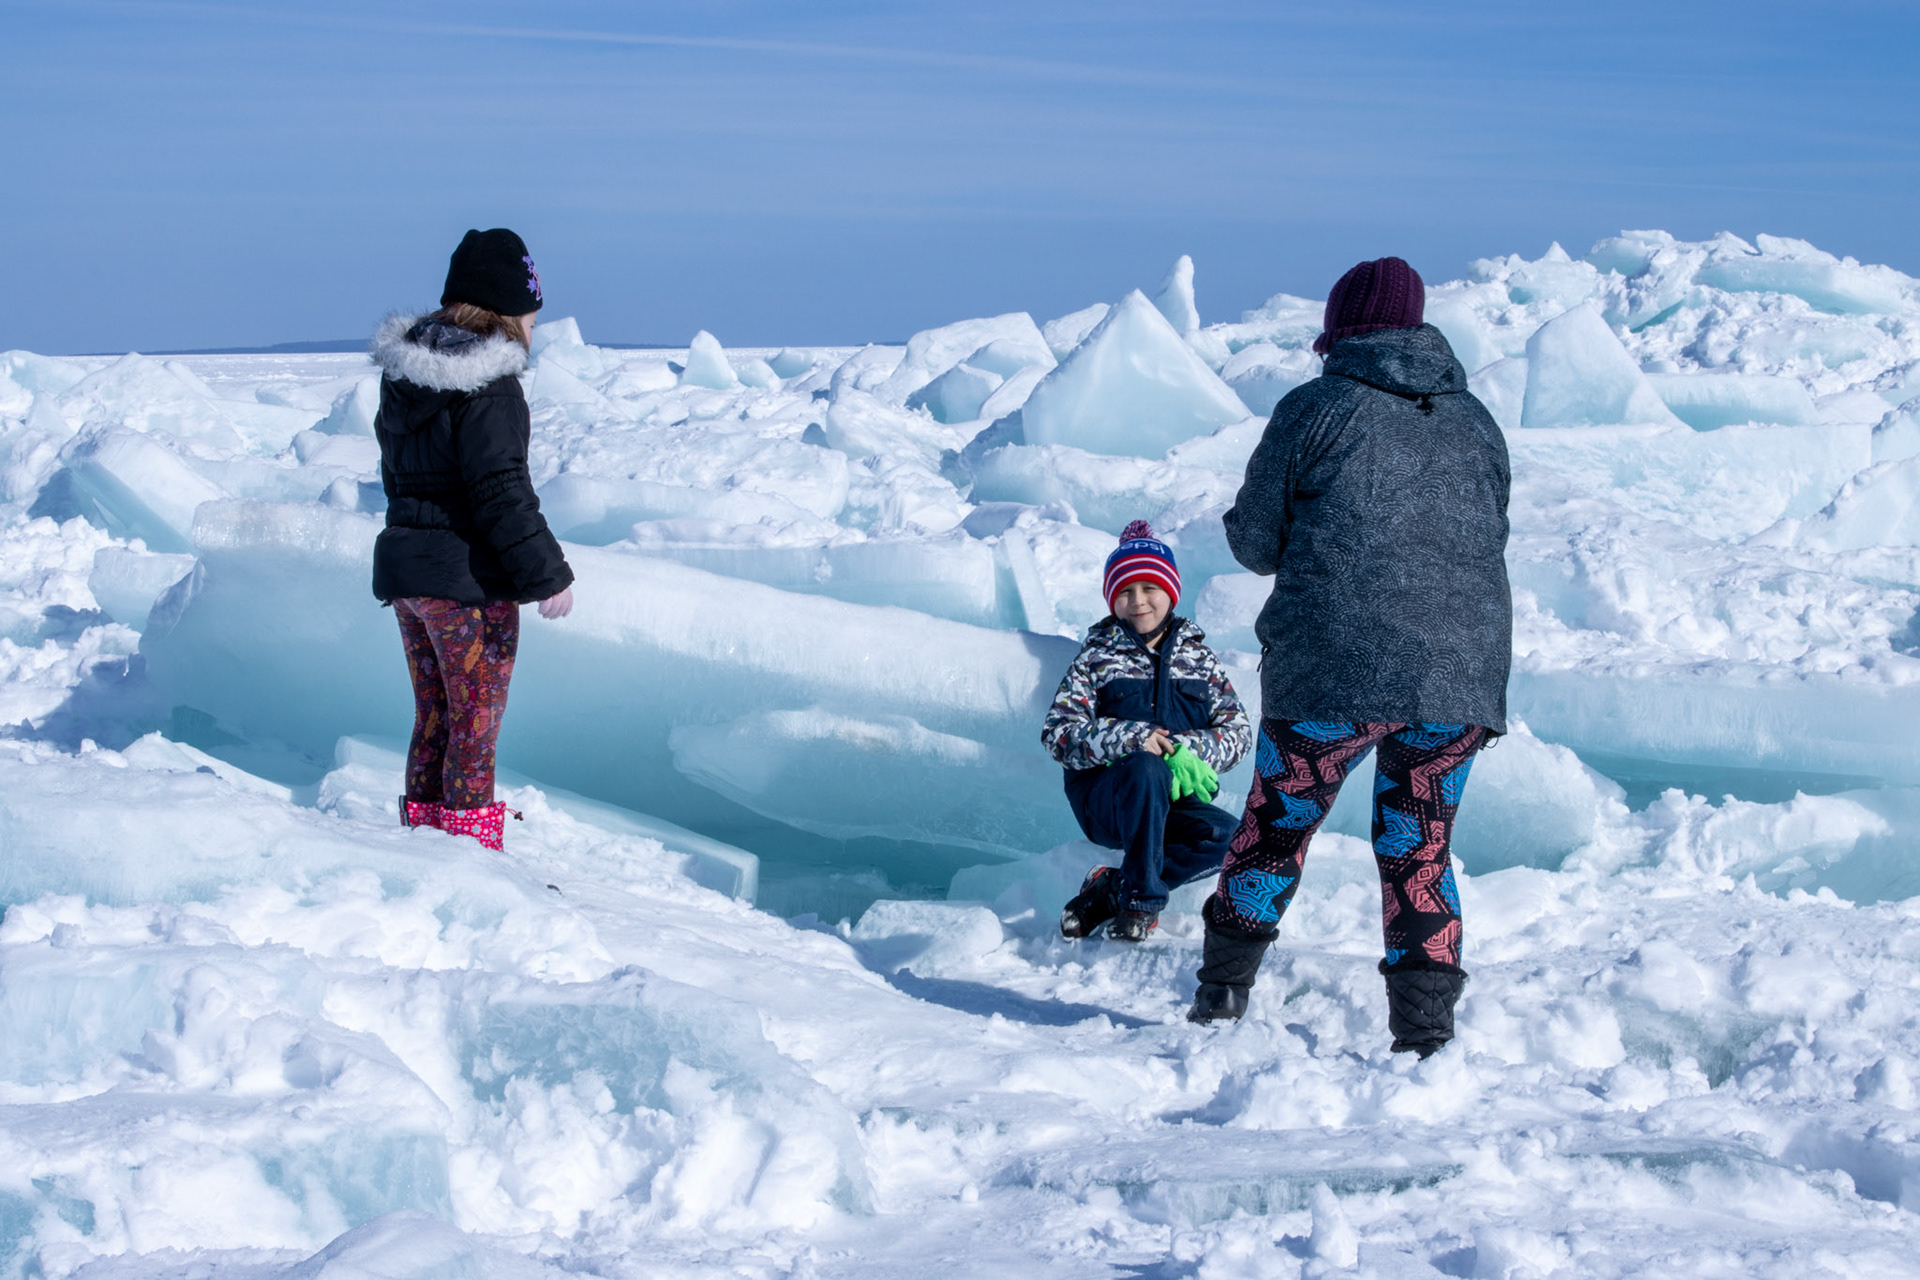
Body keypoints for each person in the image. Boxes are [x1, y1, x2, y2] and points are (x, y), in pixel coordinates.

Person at [1188, 256, 1512, 1058]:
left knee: (1277, 828)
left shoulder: (1316, 407)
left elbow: (1255, 543)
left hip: (1330, 671)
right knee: (1419, 849)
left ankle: (1221, 998)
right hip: (1458, 680)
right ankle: (1425, 1039)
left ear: (1341, 330)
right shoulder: (1477, 420)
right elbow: (1488, 532)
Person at [369, 227, 575, 852]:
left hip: (409, 577)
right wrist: (548, 574)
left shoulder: (404, 378)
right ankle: (469, 858)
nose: (532, 334)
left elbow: (396, 478)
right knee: (474, 724)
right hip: (468, 585)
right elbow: (502, 493)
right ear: (504, 314)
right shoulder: (491, 388)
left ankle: (423, 845)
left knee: (434, 715)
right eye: (530, 321)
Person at [1041, 521, 1253, 942]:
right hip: (1109, 803)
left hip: (1172, 805)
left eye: (1149, 588)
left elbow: (1238, 731)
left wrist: (1185, 749)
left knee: (1236, 838)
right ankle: (1140, 903)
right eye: (1125, 591)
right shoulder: (1096, 657)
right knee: (1144, 766)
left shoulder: (1200, 659)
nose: (1137, 601)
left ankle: (1112, 889)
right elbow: (1059, 734)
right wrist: (1136, 740)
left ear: (1170, 592)